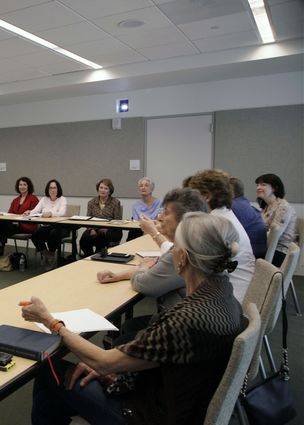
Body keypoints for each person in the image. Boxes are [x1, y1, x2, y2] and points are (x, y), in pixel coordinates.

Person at [22, 212, 244, 425]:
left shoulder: (187, 320)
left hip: (148, 414)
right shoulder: (225, 294)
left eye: (174, 246)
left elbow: (102, 360)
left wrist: (51, 321)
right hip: (182, 399)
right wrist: (116, 370)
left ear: (182, 258)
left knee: (49, 376)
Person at [96, 188, 208, 342]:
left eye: (166, 213)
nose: (160, 217)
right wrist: (121, 275)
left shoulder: (182, 254)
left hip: (183, 331)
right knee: (129, 327)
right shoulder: (198, 243)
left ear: (184, 220)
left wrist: (142, 267)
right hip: (190, 321)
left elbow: (144, 284)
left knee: (123, 339)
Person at [187, 169, 254, 302]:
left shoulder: (214, 225)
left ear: (206, 196)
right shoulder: (225, 216)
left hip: (229, 300)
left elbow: (186, 266)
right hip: (238, 290)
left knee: (168, 291)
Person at [255, 173, 298, 267]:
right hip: (268, 247)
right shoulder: (266, 207)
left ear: (274, 188)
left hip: (280, 251)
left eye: (263, 184)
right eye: (257, 185)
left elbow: (275, 236)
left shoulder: (283, 207)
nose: (258, 187)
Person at [0, 176, 39, 256]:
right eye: (20, 185)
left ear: (28, 186)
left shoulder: (33, 199)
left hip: (27, 226)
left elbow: (35, 214)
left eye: (24, 185)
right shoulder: (15, 200)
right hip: (15, 225)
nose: (22, 187)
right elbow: (9, 214)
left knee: (5, 228)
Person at [27, 179, 68, 270]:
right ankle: (49, 255)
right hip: (47, 226)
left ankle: (51, 254)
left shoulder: (62, 199)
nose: (52, 190)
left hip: (61, 227)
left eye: (54, 188)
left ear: (58, 189)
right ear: (47, 189)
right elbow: (36, 210)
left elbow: (62, 213)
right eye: (50, 188)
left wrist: (50, 214)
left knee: (53, 234)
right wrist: (29, 212)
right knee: (35, 236)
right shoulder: (44, 199)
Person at [79, 178, 122, 257]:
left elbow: (118, 220)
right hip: (94, 228)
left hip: (110, 230)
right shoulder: (91, 202)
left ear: (110, 191)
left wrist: (106, 229)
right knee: (84, 239)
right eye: (101, 188)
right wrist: (91, 229)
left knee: (101, 237)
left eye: (106, 188)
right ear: (98, 189)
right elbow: (88, 219)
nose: (103, 190)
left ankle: (98, 257)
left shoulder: (115, 202)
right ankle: (89, 257)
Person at [230, 177, 267, 258]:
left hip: (251, 254)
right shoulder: (243, 202)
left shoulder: (234, 207)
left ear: (230, 192)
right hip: (258, 250)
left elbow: (228, 236)